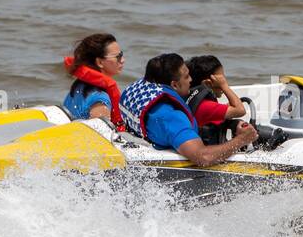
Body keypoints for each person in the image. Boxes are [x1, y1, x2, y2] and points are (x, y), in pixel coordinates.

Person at [118, 53, 258, 166]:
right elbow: (203, 157)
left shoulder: (139, 92)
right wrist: (242, 139)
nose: (191, 80)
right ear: (174, 84)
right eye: (186, 76)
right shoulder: (173, 117)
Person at [63, 33, 125, 129]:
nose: (123, 60)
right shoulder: (100, 100)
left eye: (122, 54)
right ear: (100, 62)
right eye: (118, 56)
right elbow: (101, 135)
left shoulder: (78, 86)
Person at [185, 54, 248, 144]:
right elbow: (240, 110)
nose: (224, 81)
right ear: (207, 84)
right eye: (221, 79)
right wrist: (224, 86)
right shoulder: (205, 106)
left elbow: (217, 110)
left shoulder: (197, 101)